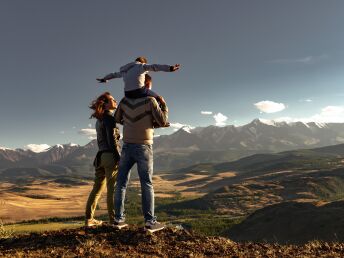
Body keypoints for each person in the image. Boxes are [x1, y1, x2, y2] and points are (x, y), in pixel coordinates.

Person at [113, 92, 168, 232]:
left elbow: (117, 118)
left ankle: (118, 220)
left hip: (127, 146)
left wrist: (132, 122)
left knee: (121, 183)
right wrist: (163, 104)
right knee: (146, 183)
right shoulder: (150, 100)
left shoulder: (124, 100)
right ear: (147, 86)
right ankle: (150, 222)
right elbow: (163, 121)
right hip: (144, 146)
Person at [85, 92, 121, 227]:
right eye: (112, 99)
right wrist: (118, 157)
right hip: (110, 156)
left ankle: (89, 219)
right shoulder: (109, 118)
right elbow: (112, 140)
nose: (115, 101)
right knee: (113, 188)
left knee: (97, 189)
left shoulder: (99, 120)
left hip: (100, 157)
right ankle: (114, 220)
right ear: (106, 104)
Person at [96, 56, 180, 101]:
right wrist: (170, 68)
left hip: (127, 94)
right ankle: (159, 120)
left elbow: (113, 74)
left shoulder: (125, 70)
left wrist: (105, 79)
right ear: (143, 62)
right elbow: (155, 67)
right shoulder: (142, 66)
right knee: (158, 98)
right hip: (139, 91)